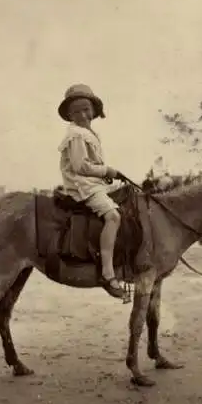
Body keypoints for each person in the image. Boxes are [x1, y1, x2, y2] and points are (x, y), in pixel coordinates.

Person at [57, 84, 125, 299]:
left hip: (94, 183)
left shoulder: (88, 132)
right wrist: (108, 170)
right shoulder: (76, 135)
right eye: (76, 111)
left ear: (94, 111)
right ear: (69, 115)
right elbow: (80, 167)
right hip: (82, 185)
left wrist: (107, 175)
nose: (83, 115)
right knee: (113, 216)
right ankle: (107, 272)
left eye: (86, 109)